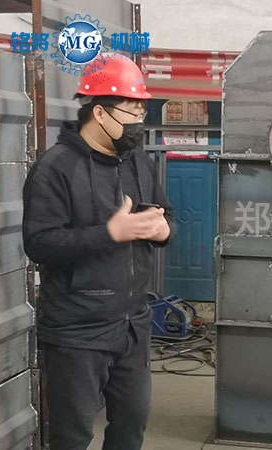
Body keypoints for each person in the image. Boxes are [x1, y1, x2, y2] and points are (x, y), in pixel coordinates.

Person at [22, 53, 176, 450]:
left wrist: (163, 230)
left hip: (132, 327)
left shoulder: (138, 161)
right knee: (72, 436)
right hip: (76, 332)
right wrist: (110, 233)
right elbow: (39, 243)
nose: (139, 121)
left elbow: (165, 214)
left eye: (142, 110)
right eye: (132, 110)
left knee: (131, 426)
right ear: (100, 112)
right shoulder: (55, 168)